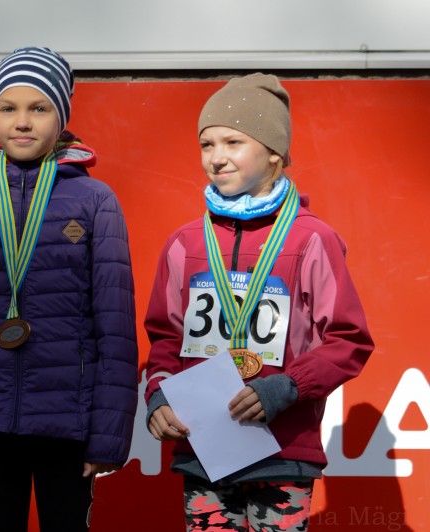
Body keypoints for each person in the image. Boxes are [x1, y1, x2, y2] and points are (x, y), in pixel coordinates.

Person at [0, 46, 138, 532]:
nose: (22, 122)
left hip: (69, 421)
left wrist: (109, 435)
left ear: (62, 116)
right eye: (7, 108)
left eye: (39, 108)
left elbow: (115, 328)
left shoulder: (95, 201)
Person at [144, 73, 374, 531]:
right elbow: (166, 336)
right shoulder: (185, 242)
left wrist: (284, 388)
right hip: (203, 446)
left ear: (275, 152)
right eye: (207, 144)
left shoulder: (311, 239)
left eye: (233, 141)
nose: (216, 156)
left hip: (283, 447)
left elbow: (349, 339)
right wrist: (159, 394)